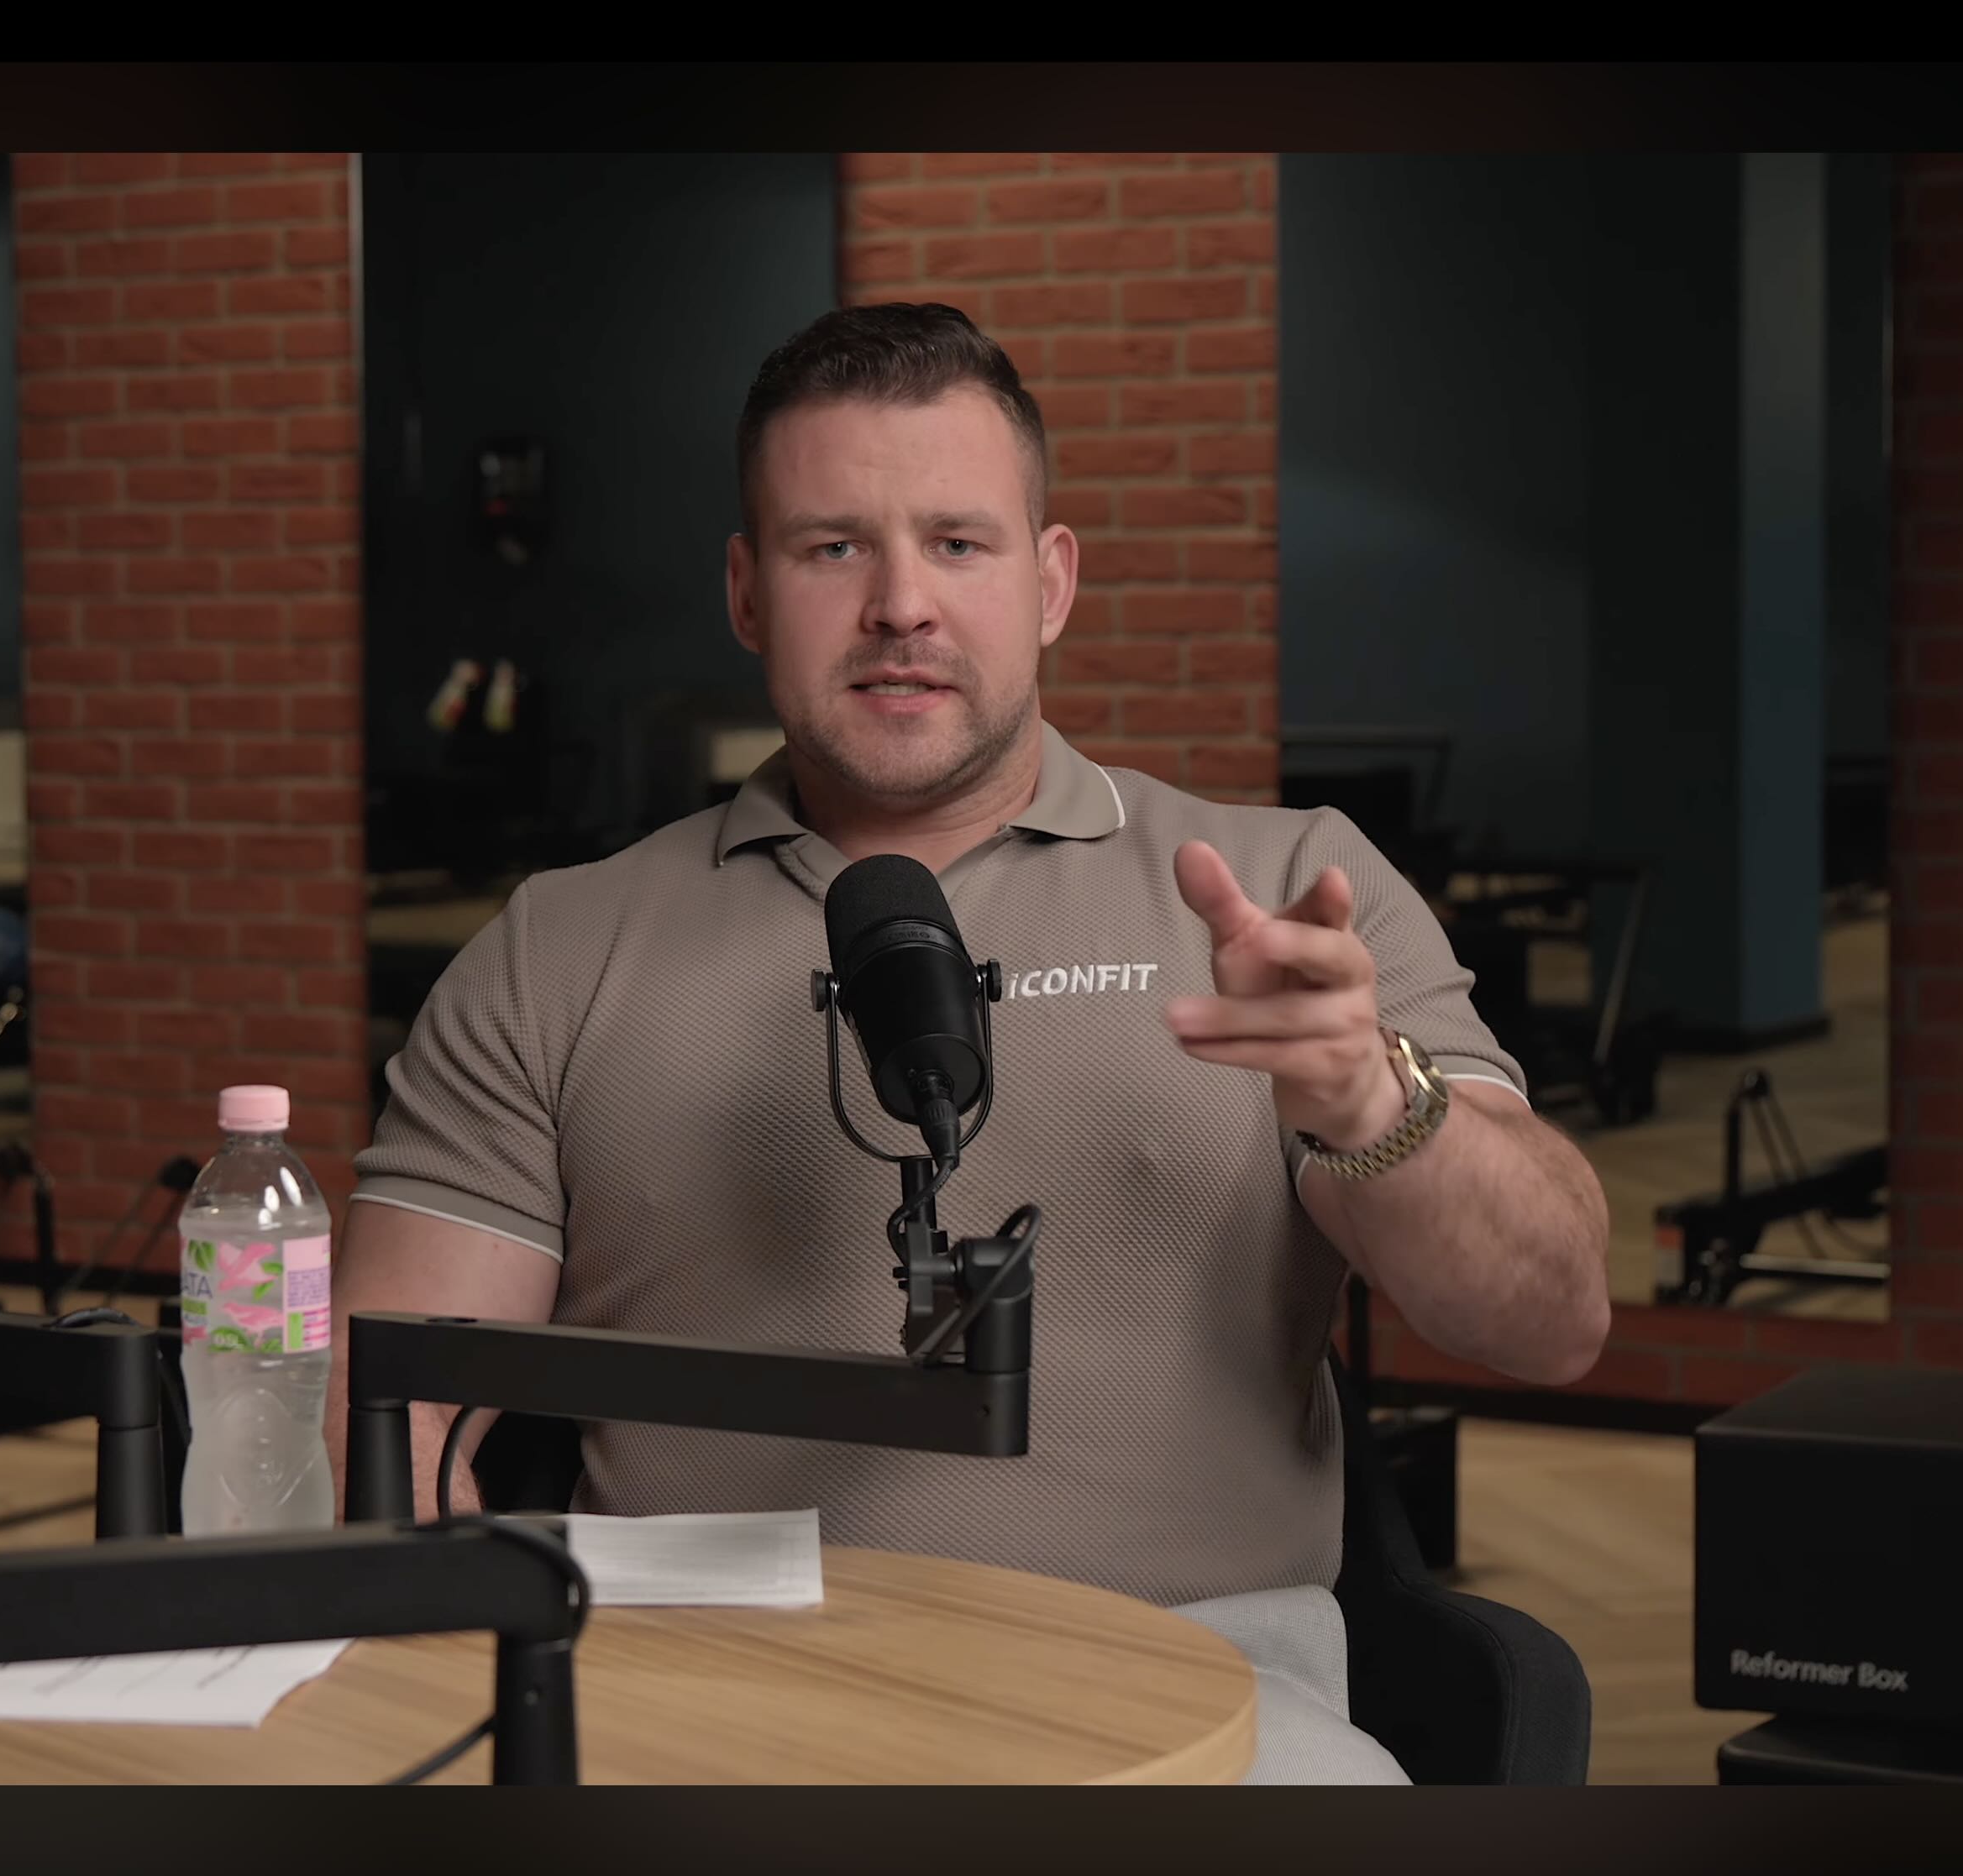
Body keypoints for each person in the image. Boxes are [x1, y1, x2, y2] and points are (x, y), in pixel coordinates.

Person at [329, 302, 1612, 1783]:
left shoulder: (1286, 889)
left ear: (1050, 581)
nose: (900, 605)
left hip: (1193, 1687)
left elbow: (1553, 1321)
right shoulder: (560, 946)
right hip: (701, 1695)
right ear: (746, 592)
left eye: (957, 542)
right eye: (833, 548)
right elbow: (381, 1410)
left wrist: (1374, 1103)